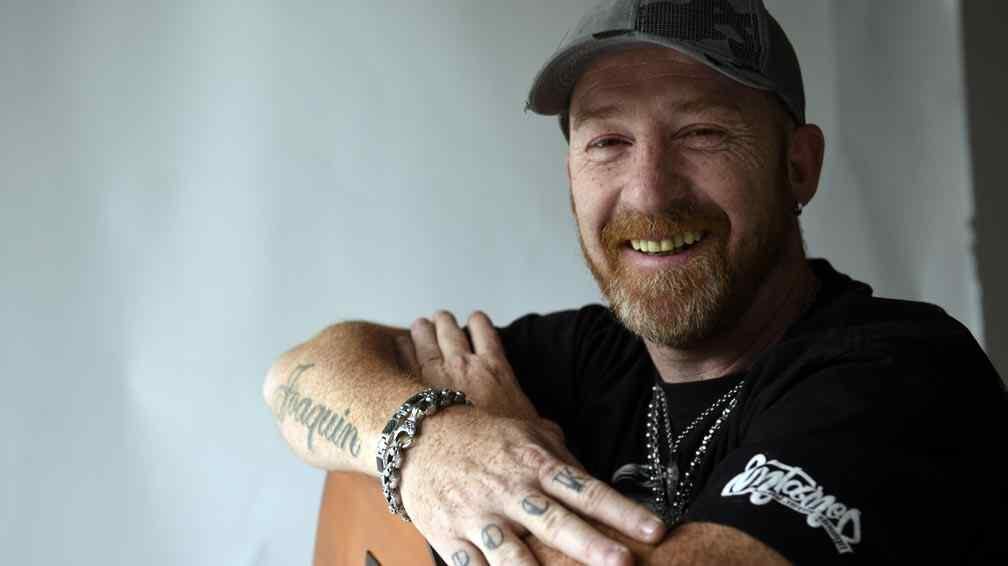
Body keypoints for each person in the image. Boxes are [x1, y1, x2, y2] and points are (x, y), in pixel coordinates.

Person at [263, 1, 1006, 564]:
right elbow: (300, 376)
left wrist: (513, 489)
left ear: (797, 166)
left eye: (702, 134)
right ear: (571, 176)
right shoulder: (583, 356)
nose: (649, 193)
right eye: (608, 143)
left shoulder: (902, 378)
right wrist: (434, 442)